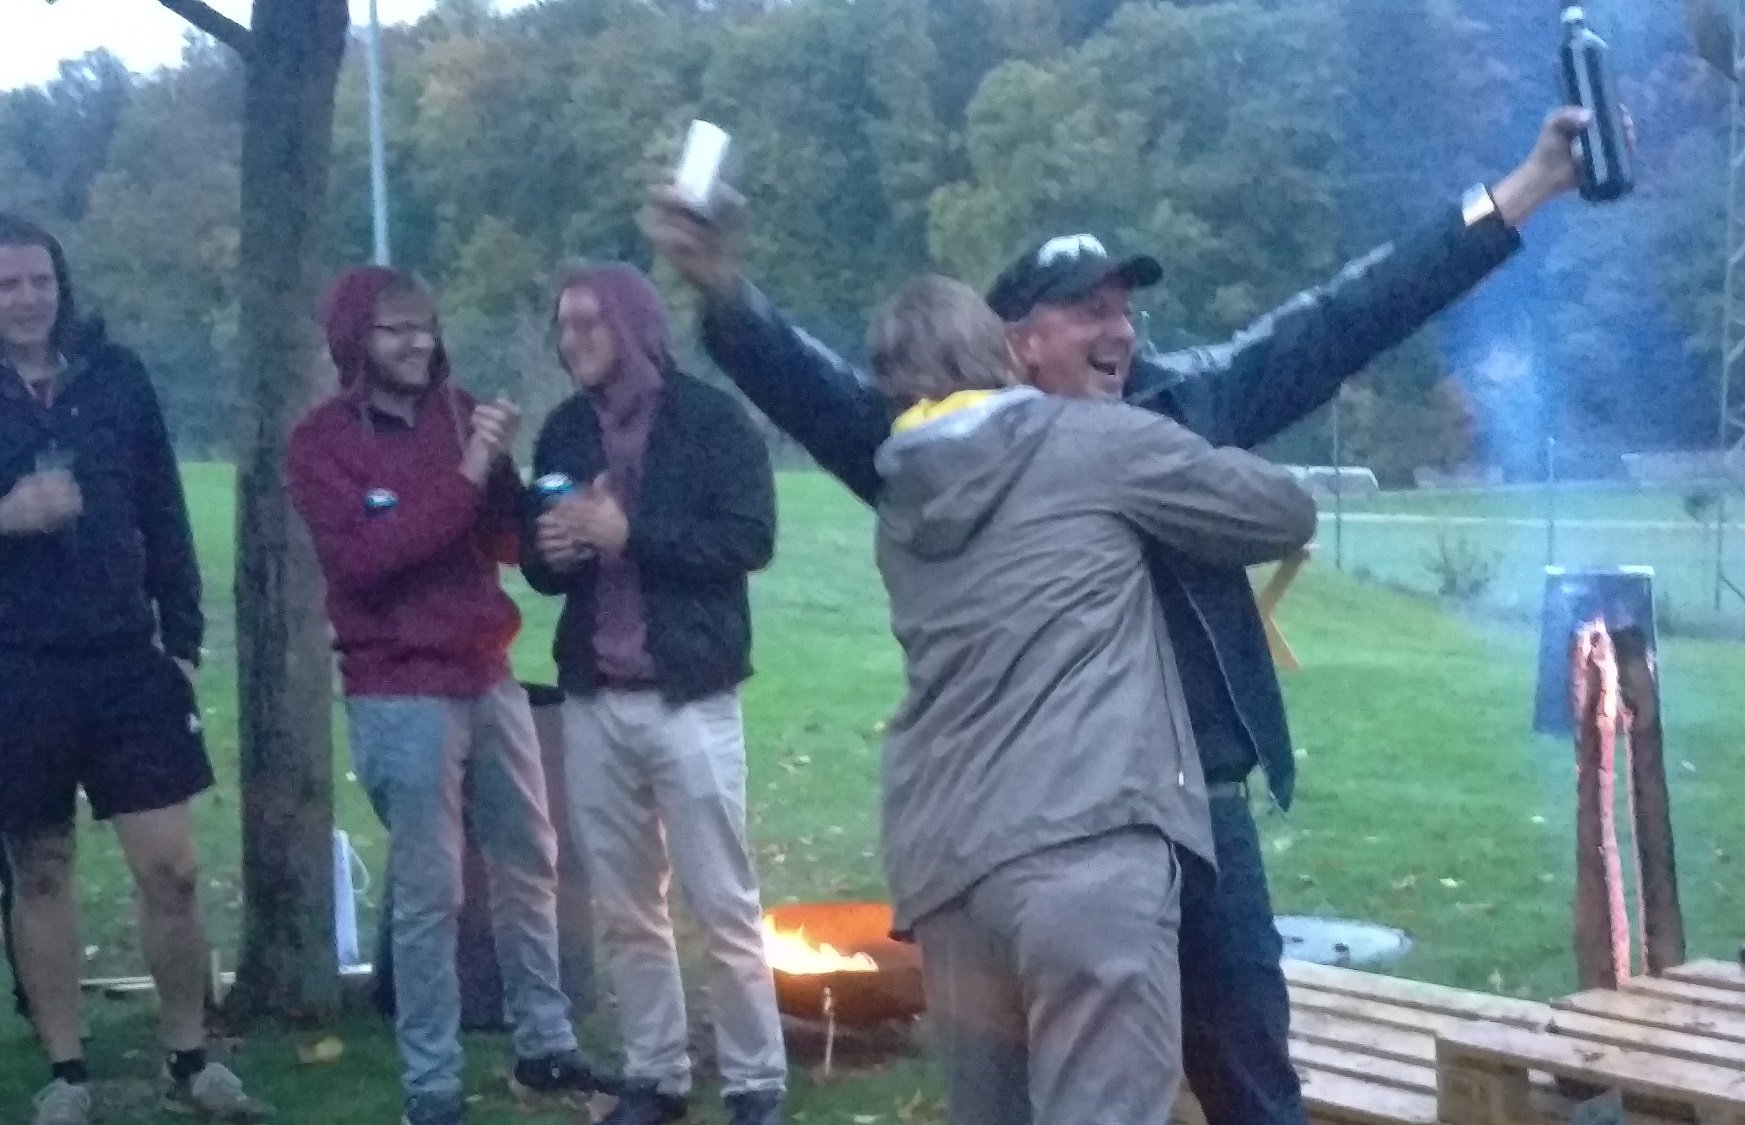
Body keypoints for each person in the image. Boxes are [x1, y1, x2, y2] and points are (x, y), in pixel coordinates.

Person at [641, 106, 1599, 1123]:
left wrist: (1524, 189)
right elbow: (811, 388)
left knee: (1250, 1087)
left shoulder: (1177, 406)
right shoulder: (929, 453)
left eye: (1124, 309)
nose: (1119, 330)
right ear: (1015, 344)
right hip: (1047, 835)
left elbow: (1349, 314)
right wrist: (722, 289)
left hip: (1197, 800)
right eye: (1086, 311)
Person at [865, 275, 1317, 1123]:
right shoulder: (1094, 439)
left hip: (949, 873)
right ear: (1008, 352)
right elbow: (1281, 513)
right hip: (1087, 848)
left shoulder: (901, 502)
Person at [285, 267, 602, 1125]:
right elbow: (367, 560)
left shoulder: (460, 412)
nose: (417, 342)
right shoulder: (321, 443)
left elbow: (501, 540)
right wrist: (467, 472)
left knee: (530, 858)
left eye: (424, 325)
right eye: (395, 329)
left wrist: (525, 489)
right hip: (399, 688)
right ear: (355, 339)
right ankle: (431, 1082)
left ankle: (545, 1042)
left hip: (487, 672)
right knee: (431, 890)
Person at [0, 212, 270, 1125]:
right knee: (41, 867)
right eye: (8, 284)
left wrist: (183, 642)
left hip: (128, 660)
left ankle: (190, 1059)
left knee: (173, 868)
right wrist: (8, 514)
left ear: (61, 285)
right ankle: (66, 1073)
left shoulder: (115, 375)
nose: (27, 298)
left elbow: (163, 507)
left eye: (40, 280)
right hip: (19, 666)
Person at [521, 264, 786, 1125]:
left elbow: (749, 540)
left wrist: (628, 534)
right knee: (628, 906)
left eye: (590, 322)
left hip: (690, 696)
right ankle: (656, 1075)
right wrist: (551, 551)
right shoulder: (565, 430)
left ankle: (755, 1082)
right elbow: (538, 555)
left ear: (635, 325)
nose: (573, 340)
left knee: (723, 901)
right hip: (595, 697)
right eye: (564, 325)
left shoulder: (711, 421)